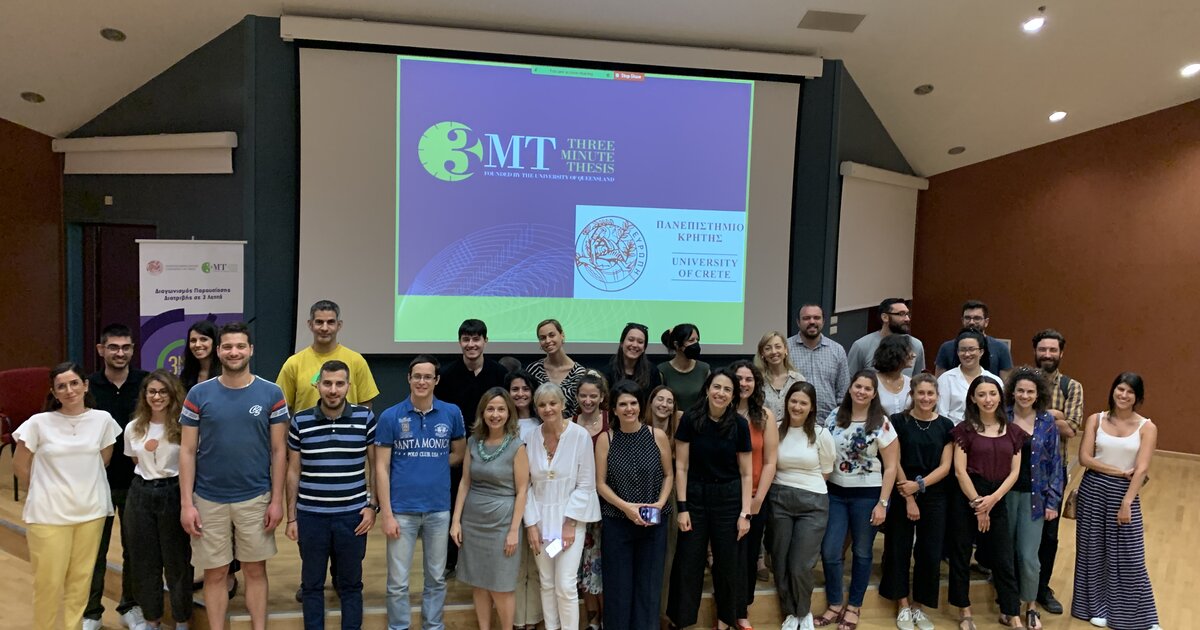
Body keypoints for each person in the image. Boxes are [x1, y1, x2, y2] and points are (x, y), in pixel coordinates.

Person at [179, 322, 289, 630]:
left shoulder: (271, 393)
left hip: (255, 498)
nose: (234, 352)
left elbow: (279, 450)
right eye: (227, 346)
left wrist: (276, 501)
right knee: (215, 573)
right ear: (218, 351)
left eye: (240, 346)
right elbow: (187, 451)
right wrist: (187, 504)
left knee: (254, 571)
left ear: (251, 350)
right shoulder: (198, 394)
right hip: (208, 499)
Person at [13, 363, 122, 630]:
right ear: (54, 392)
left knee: (81, 582)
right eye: (61, 386)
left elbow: (103, 459)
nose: (69, 390)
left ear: (85, 385)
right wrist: (43, 490)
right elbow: (20, 464)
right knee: (48, 583)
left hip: (91, 512)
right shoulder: (38, 423)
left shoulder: (103, 420)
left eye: (74, 383)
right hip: (48, 515)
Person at [284, 360, 378, 630]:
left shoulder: (365, 418)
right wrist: (292, 517)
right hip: (311, 516)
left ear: (348, 386)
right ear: (318, 385)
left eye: (339, 383)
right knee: (312, 585)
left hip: (353, 517)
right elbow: (293, 471)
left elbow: (376, 466)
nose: (333, 390)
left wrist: (372, 506)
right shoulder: (300, 421)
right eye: (327, 383)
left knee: (351, 585)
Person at [375, 355, 466, 630]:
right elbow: (381, 467)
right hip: (401, 510)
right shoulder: (390, 416)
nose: (422, 381)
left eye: (428, 377)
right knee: (398, 581)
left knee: (436, 578)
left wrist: (433, 463)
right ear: (409, 378)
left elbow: (459, 453)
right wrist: (386, 514)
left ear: (436, 380)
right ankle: (398, 627)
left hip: (438, 509)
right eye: (417, 376)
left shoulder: (451, 413)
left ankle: (433, 626)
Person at [1072, 373, 1160, 630]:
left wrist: (1127, 502)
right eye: (1120, 389)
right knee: (1092, 552)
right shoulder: (1095, 419)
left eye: (1130, 392)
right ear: (1113, 390)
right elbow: (1085, 458)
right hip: (1093, 490)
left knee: (1131, 556)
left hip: (1124, 494)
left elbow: (1141, 468)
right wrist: (1119, 472)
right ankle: (1095, 608)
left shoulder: (1147, 427)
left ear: (1137, 397)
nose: (1124, 395)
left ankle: (1143, 618)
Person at [667, 368, 752, 630]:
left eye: (727, 389)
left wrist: (745, 514)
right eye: (717, 387)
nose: (721, 393)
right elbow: (681, 467)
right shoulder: (691, 419)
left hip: (728, 500)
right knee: (688, 562)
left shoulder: (739, 425)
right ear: (707, 389)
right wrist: (682, 508)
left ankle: (726, 622)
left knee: (728, 564)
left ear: (733, 396)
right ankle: (682, 622)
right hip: (695, 499)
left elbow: (746, 473)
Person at [815, 370, 899, 630]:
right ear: (850, 388)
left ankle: (854, 605)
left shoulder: (881, 423)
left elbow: (892, 467)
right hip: (836, 494)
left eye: (867, 388)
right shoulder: (834, 416)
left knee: (862, 552)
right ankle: (834, 603)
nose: (861, 391)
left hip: (868, 495)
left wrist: (882, 504)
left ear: (874, 394)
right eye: (858, 386)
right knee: (830, 551)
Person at [947, 375, 1025, 630]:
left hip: (997, 497)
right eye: (981, 394)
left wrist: (993, 499)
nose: (988, 399)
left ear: (1000, 397)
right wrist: (978, 504)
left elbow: (1015, 472)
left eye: (992, 394)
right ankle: (964, 610)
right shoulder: (964, 430)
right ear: (973, 398)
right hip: (968, 496)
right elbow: (959, 471)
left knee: (1003, 557)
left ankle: (1011, 611)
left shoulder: (1013, 431)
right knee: (961, 554)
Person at [85, 323, 149, 630]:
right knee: (94, 551)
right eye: (113, 347)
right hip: (97, 482)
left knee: (135, 549)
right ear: (101, 350)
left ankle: (130, 606)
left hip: (138, 481)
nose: (120, 353)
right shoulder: (88, 386)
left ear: (133, 350)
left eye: (125, 347)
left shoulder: (147, 383)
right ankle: (91, 613)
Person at [595, 380, 674, 630]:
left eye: (633, 403)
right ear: (613, 409)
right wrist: (626, 508)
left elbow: (669, 475)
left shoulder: (656, 436)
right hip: (618, 522)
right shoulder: (606, 439)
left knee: (648, 586)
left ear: (640, 406)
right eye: (623, 404)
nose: (629, 408)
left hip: (653, 522)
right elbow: (600, 484)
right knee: (618, 587)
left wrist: (659, 504)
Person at [524, 382, 602, 630]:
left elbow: (586, 484)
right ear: (536, 408)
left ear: (563, 404)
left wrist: (570, 523)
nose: (548, 409)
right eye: (542, 405)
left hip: (569, 522)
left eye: (552, 403)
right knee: (546, 581)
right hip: (540, 521)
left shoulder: (579, 436)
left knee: (566, 584)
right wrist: (531, 524)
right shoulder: (531, 438)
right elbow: (526, 485)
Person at [879, 374, 954, 630]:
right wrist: (909, 495)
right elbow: (894, 460)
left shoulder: (946, 425)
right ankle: (902, 605)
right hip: (902, 491)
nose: (925, 398)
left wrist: (920, 486)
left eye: (930, 393)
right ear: (912, 394)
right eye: (920, 393)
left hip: (934, 494)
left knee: (930, 553)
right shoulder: (898, 421)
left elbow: (946, 466)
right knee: (898, 549)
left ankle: (918, 606)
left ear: (937, 396)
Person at [450, 388, 530, 630]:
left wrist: (514, 530)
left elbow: (522, 491)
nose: (495, 414)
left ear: (509, 413)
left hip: (503, 523)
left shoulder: (517, 446)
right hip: (473, 522)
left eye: (501, 409)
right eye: (490, 409)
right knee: (479, 583)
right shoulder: (473, 442)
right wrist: (456, 521)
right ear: (482, 413)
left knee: (501, 586)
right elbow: (465, 483)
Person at [437, 319, 508, 577]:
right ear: (460, 342)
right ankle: (450, 561)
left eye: (476, 339)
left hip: (493, 451)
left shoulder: (500, 374)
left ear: (485, 341)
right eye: (466, 339)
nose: (471, 344)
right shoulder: (447, 376)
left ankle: (482, 560)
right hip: (457, 452)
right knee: (453, 503)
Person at [124, 370, 194, 630]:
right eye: (152, 391)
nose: (157, 397)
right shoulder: (134, 427)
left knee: (177, 562)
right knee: (144, 561)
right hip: (140, 494)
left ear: (173, 394)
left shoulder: (184, 425)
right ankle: (152, 620)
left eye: (163, 391)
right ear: (144, 395)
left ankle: (181, 621)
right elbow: (136, 459)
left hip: (173, 491)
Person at [770, 382, 835, 630]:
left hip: (813, 503)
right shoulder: (775, 429)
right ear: (787, 402)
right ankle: (790, 612)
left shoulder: (821, 434)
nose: (797, 407)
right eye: (793, 401)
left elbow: (827, 470)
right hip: (779, 500)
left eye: (803, 403)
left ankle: (803, 611)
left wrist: (805, 488)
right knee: (780, 561)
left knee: (800, 564)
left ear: (812, 407)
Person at [1003, 367, 1063, 630]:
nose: (1025, 395)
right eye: (1020, 390)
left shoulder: (1047, 422)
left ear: (1038, 394)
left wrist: (1053, 501)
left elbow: (1055, 464)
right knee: (1005, 554)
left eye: (1030, 391)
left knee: (1028, 556)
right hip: (1003, 494)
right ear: (1012, 392)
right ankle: (1008, 606)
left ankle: (1030, 605)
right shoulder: (1001, 417)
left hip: (1034, 497)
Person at [1030, 329, 1083, 615]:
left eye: (1053, 350)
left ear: (1061, 353)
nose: (1047, 354)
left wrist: (1037, 414)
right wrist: (1055, 415)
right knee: (1020, 530)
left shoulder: (1071, 386)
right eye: (1043, 349)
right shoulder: (1023, 381)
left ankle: (1041, 588)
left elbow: (1070, 429)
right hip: (1021, 469)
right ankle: (1016, 585)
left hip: (1053, 472)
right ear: (1035, 352)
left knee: (1049, 534)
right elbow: (1013, 418)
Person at [730, 359, 779, 629]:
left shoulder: (765, 416)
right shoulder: (720, 412)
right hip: (726, 497)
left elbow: (771, 461)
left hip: (756, 498)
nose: (743, 384)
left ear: (756, 384)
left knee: (748, 556)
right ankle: (725, 611)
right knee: (727, 557)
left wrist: (758, 499)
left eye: (749, 379)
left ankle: (742, 611)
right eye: (738, 378)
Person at [277, 300, 380, 414]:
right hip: (306, 426)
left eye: (330, 322)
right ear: (310, 325)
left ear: (339, 325)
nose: (324, 328)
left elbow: (366, 405)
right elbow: (281, 409)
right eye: (319, 322)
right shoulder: (293, 363)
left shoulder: (356, 361)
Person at [506, 369, 544, 630]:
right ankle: (518, 620)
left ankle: (534, 619)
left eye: (525, 389)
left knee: (538, 564)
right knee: (516, 566)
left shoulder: (543, 424)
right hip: (510, 501)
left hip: (540, 501)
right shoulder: (502, 423)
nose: (520, 394)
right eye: (515, 389)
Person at [643, 384, 682, 625]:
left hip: (671, 498)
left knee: (667, 556)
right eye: (659, 399)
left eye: (669, 401)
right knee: (647, 555)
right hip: (643, 496)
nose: (664, 405)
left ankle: (662, 614)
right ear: (651, 402)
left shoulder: (679, 431)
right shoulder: (638, 427)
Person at [573, 372, 609, 629]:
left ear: (602, 397)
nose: (588, 400)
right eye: (583, 395)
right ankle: (592, 617)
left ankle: (608, 616)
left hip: (606, 504)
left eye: (593, 396)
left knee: (602, 562)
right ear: (576, 396)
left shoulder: (611, 422)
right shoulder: (569, 423)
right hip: (577, 504)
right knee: (582, 563)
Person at [786, 304, 849, 420]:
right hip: (794, 420)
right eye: (806, 318)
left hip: (828, 421)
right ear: (798, 322)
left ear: (823, 321)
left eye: (816, 318)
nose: (812, 321)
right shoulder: (785, 349)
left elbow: (843, 392)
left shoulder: (837, 350)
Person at [937, 329, 1003, 424]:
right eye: (963, 350)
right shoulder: (946, 379)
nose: (967, 354)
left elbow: (999, 413)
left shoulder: (995, 380)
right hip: (953, 430)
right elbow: (941, 414)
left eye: (971, 349)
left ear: (981, 352)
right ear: (957, 352)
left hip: (987, 430)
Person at [934, 300, 1014, 379]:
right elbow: (939, 382)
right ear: (962, 320)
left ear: (986, 322)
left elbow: (1006, 384)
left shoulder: (1001, 348)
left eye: (977, 318)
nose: (971, 322)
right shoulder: (946, 348)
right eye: (967, 318)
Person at [846, 298, 926, 376]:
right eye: (901, 314)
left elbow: (918, 380)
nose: (907, 319)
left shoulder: (916, 345)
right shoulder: (862, 346)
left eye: (907, 314)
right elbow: (851, 379)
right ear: (885, 317)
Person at [526, 319, 587, 418]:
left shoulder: (579, 373)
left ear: (562, 335)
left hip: (570, 426)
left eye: (552, 335)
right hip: (539, 425)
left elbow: (581, 410)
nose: (547, 341)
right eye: (543, 338)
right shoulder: (533, 370)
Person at [658, 323, 711, 412]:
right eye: (691, 340)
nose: (696, 344)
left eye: (697, 340)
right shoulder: (663, 370)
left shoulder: (704, 369)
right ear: (677, 344)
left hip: (698, 418)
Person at [755, 330, 806, 422]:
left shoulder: (798, 380)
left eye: (778, 347)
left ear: (785, 349)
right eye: (768, 348)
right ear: (762, 353)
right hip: (764, 429)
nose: (774, 351)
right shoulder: (757, 381)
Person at [600, 321, 663, 393]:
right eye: (631, 340)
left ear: (644, 348)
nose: (635, 345)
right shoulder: (606, 373)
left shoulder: (652, 372)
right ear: (622, 343)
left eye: (640, 342)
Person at [873, 334, 913, 416]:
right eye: (908, 351)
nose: (913, 355)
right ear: (895, 354)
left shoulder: (911, 382)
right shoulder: (872, 382)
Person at [180, 320, 222, 390]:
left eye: (203, 339)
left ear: (215, 342)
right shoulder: (186, 375)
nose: (197, 345)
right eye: (193, 340)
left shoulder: (225, 373)